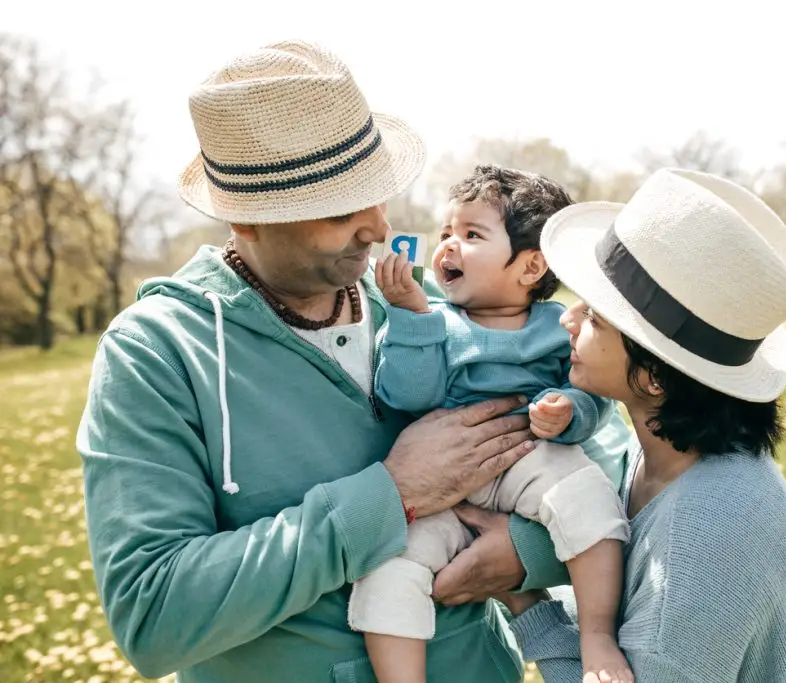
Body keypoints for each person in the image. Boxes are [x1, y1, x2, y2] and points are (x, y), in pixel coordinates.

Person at [75, 40, 595, 683]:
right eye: (341, 209)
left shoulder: (434, 312)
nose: (378, 227)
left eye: (378, 194)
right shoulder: (156, 353)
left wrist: (524, 553)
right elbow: (153, 616)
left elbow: (595, 482)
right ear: (249, 220)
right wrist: (392, 496)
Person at [436, 168, 786, 682]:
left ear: (654, 375)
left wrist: (526, 602)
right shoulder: (661, 458)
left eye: (594, 319)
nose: (566, 319)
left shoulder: (714, 522)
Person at [350, 165, 633, 683]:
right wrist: (410, 316)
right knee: (389, 564)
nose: (448, 247)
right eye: (446, 233)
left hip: (531, 457)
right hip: (442, 482)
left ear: (530, 268)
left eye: (472, 235)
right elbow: (408, 394)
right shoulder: (432, 318)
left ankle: (595, 637)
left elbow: (593, 400)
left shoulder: (556, 326)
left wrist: (567, 413)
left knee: (591, 506)